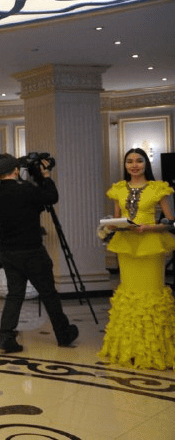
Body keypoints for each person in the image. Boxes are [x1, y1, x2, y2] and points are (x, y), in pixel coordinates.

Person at [0, 153, 78, 352]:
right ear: (16, 171)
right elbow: (51, 197)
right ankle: (63, 333)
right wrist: (45, 176)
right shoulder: (26, 190)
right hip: (32, 251)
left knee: (15, 294)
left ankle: (6, 336)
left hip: (8, 252)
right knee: (48, 293)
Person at [100, 148, 175, 370]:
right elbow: (117, 219)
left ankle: (155, 351)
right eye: (129, 161)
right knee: (129, 292)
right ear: (125, 165)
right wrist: (111, 226)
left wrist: (149, 228)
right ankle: (130, 349)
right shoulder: (118, 189)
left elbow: (171, 222)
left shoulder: (157, 188)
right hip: (127, 246)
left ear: (145, 164)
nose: (134, 165)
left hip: (150, 246)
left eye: (139, 161)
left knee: (151, 293)